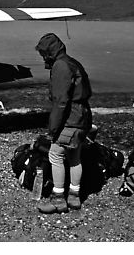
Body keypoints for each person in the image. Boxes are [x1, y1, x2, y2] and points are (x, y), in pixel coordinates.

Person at [35, 33, 93, 214]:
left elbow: (61, 101)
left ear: (49, 52)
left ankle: (58, 200)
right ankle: (74, 196)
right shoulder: (72, 62)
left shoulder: (60, 66)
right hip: (83, 116)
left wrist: (53, 128)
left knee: (55, 155)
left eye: (43, 53)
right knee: (75, 156)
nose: (43, 57)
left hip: (70, 118)